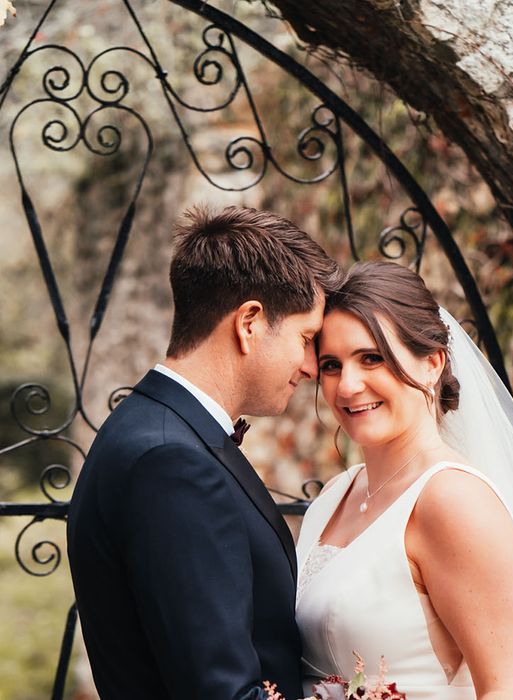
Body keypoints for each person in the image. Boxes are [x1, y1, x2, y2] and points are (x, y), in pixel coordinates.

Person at [296, 261, 513, 700]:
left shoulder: (452, 500)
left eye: (371, 358)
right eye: (332, 365)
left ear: (433, 362)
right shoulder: (335, 496)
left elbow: (508, 688)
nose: (348, 386)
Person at [67, 206, 341, 700]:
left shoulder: (151, 429)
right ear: (250, 323)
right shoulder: (172, 462)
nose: (310, 366)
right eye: (305, 338)